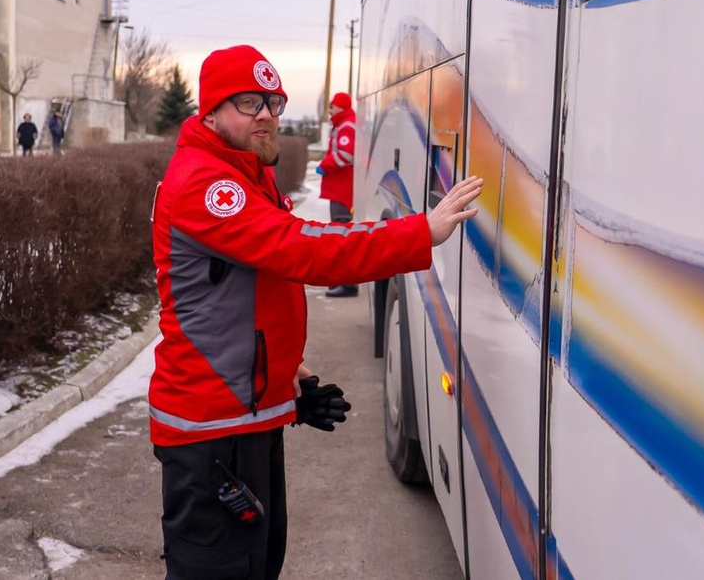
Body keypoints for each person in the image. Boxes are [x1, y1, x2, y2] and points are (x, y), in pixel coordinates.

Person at [149, 44, 482, 580]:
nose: (266, 114)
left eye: (274, 103)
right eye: (248, 101)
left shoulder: (243, 175)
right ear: (210, 112)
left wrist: (286, 375)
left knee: (258, 564)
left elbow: (245, 291)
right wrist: (420, 232)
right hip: (212, 431)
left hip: (244, 416)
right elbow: (305, 250)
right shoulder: (207, 186)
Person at [316, 91, 359, 297]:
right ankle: (343, 281)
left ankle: (347, 283)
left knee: (342, 235)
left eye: (333, 106)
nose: (330, 109)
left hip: (343, 189)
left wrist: (325, 165)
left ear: (341, 107)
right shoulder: (344, 123)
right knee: (340, 233)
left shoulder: (346, 125)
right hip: (342, 189)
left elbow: (345, 155)